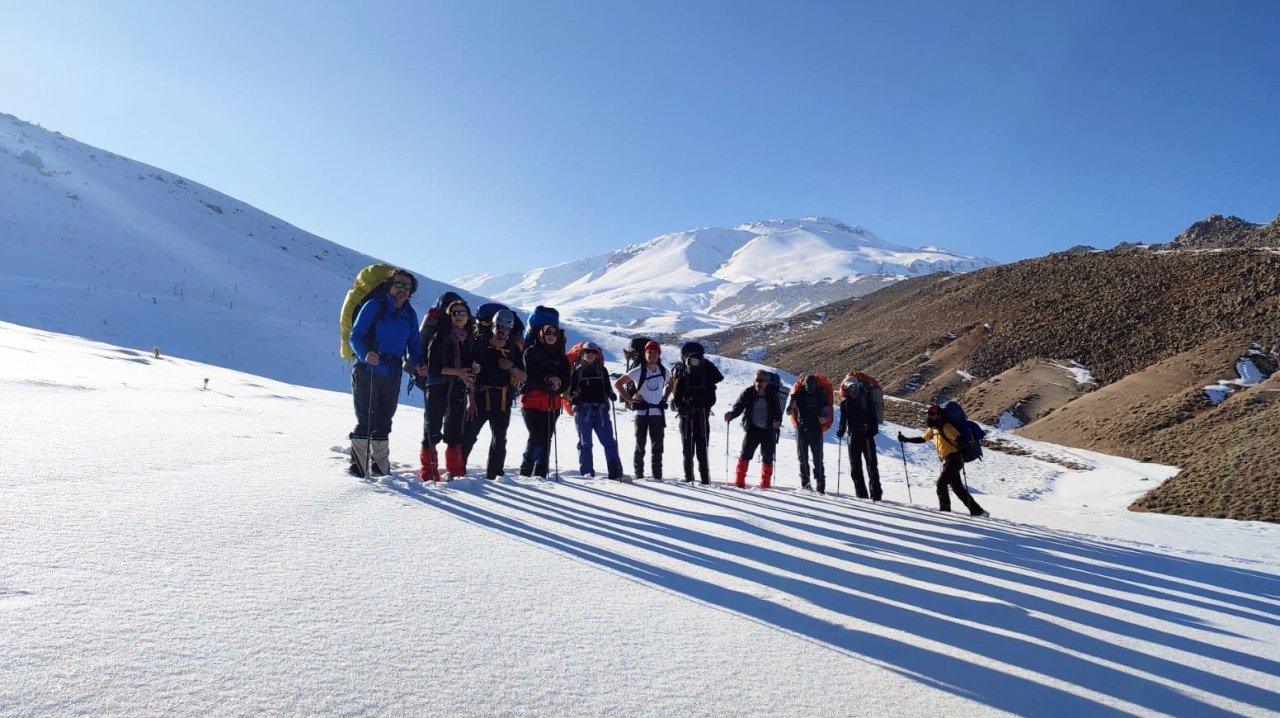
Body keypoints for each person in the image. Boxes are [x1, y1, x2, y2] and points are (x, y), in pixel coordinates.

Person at [347, 268, 427, 477]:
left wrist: (419, 363)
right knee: (366, 418)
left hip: (392, 373)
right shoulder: (374, 306)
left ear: (411, 291)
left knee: (385, 419)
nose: (402, 289)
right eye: (398, 284)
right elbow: (355, 336)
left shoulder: (409, 314)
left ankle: (380, 468)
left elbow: (415, 346)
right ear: (390, 285)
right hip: (367, 370)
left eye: (407, 287)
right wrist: (365, 354)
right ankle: (358, 468)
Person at [461, 309, 526, 480]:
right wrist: (471, 401)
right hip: (479, 398)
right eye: (499, 326)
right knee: (468, 435)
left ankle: (495, 475)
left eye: (505, 327)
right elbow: (469, 376)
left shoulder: (514, 349)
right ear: (492, 326)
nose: (501, 330)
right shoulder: (480, 345)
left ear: (510, 331)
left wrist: (511, 367)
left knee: (499, 440)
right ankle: (459, 472)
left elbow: (524, 377)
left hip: (503, 401)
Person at [899, 403, 990, 517]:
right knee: (957, 488)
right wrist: (906, 439)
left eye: (932, 414)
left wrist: (962, 448)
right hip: (947, 460)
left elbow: (960, 440)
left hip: (954, 459)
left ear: (939, 415)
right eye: (928, 414)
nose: (929, 416)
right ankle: (978, 511)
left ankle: (945, 512)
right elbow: (923, 439)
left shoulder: (946, 427)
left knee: (941, 484)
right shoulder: (933, 428)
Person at [424, 299, 478, 480]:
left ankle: (455, 471)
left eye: (463, 312)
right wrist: (459, 373)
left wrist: (471, 374)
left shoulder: (469, 338)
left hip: (458, 388)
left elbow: (468, 370)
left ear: (468, 316)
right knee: (432, 427)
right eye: (455, 313)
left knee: (455, 429)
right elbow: (433, 367)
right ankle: (429, 471)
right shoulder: (440, 336)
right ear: (449, 316)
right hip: (438, 386)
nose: (459, 316)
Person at [568, 342, 623, 479]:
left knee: (609, 442)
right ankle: (587, 473)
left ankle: (615, 472)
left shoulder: (602, 370)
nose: (590, 354)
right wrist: (573, 400)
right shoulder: (577, 371)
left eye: (593, 352)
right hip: (583, 411)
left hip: (601, 412)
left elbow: (607, 388)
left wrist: (611, 394)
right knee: (585, 444)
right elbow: (572, 391)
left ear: (597, 354)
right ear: (582, 354)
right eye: (587, 352)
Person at [520, 323, 569, 478]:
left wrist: (559, 384)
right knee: (536, 435)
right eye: (548, 333)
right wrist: (548, 380)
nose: (551, 336)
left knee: (546, 437)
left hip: (552, 402)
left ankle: (541, 471)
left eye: (555, 333)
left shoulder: (561, 357)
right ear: (541, 334)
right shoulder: (531, 352)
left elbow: (567, 379)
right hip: (531, 401)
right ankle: (526, 469)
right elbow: (529, 375)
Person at [615, 340, 669, 480]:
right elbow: (618, 383)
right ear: (645, 354)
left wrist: (665, 397)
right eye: (649, 352)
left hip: (657, 414)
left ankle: (657, 475)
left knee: (658, 447)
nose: (652, 355)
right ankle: (639, 475)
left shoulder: (664, 371)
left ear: (658, 354)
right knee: (641, 446)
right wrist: (629, 399)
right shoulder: (638, 371)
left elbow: (672, 382)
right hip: (641, 414)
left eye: (654, 352)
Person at [670, 343, 724, 484]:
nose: (692, 363)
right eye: (690, 360)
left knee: (699, 449)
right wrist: (691, 404)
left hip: (697, 417)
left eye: (696, 360)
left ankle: (700, 480)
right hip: (693, 417)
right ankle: (695, 479)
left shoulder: (703, 376)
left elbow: (712, 397)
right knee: (691, 450)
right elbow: (677, 400)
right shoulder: (683, 377)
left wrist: (695, 404)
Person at [723, 370, 783, 489]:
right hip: (752, 429)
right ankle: (739, 482)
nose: (759, 383)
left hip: (768, 431)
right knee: (745, 454)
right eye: (757, 380)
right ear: (753, 380)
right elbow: (738, 407)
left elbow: (778, 412)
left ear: (767, 382)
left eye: (762, 381)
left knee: (768, 458)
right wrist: (732, 414)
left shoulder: (772, 394)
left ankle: (765, 485)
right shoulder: (748, 392)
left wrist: (777, 422)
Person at [836, 374, 882, 500]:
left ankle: (876, 495)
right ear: (847, 389)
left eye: (856, 385)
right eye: (851, 386)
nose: (854, 388)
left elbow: (873, 417)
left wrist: (872, 430)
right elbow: (843, 420)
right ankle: (862, 496)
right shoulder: (845, 403)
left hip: (866, 435)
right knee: (855, 467)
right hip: (853, 436)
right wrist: (841, 430)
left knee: (871, 465)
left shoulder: (867, 398)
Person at [787, 374, 832, 493]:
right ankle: (813, 484)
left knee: (815, 458)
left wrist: (825, 418)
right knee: (806, 458)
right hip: (805, 430)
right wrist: (792, 407)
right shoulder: (799, 395)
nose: (809, 388)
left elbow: (827, 413)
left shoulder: (819, 394)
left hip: (812, 430)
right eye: (808, 385)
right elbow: (788, 411)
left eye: (811, 385)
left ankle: (817, 484)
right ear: (804, 385)